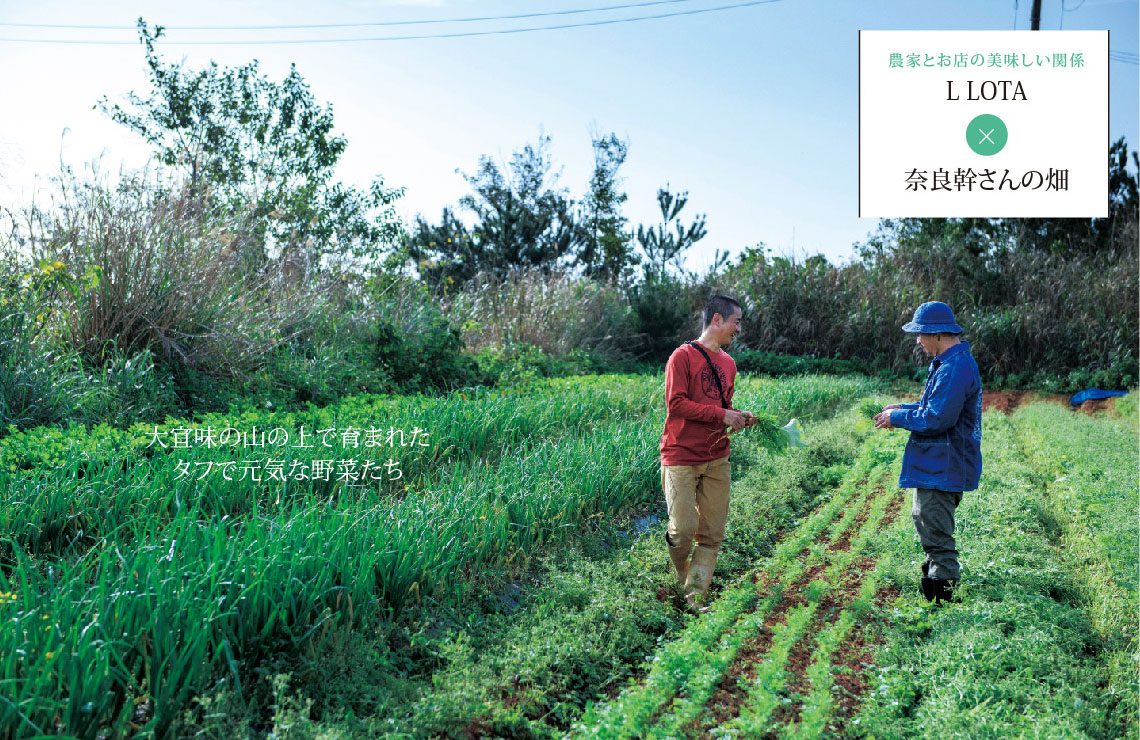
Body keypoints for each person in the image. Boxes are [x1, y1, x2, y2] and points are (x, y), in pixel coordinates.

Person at [873, 301, 982, 606]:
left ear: (936, 333)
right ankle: (935, 593)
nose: (918, 341)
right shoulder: (949, 364)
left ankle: (942, 603)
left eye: (920, 334)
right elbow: (932, 408)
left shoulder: (955, 368)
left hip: (942, 466)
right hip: (938, 465)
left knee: (937, 536)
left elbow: (936, 418)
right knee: (929, 527)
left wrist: (897, 418)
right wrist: (901, 409)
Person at [660, 295, 758, 609]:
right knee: (683, 529)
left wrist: (739, 416)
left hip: (717, 456)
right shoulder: (682, 356)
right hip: (681, 456)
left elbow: (721, 407)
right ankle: (680, 574)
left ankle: (693, 597)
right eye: (737, 321)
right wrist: (720, 416)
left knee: (712, 533)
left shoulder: (729, 364)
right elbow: (675, 404)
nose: (739, 329)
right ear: (717, 320)